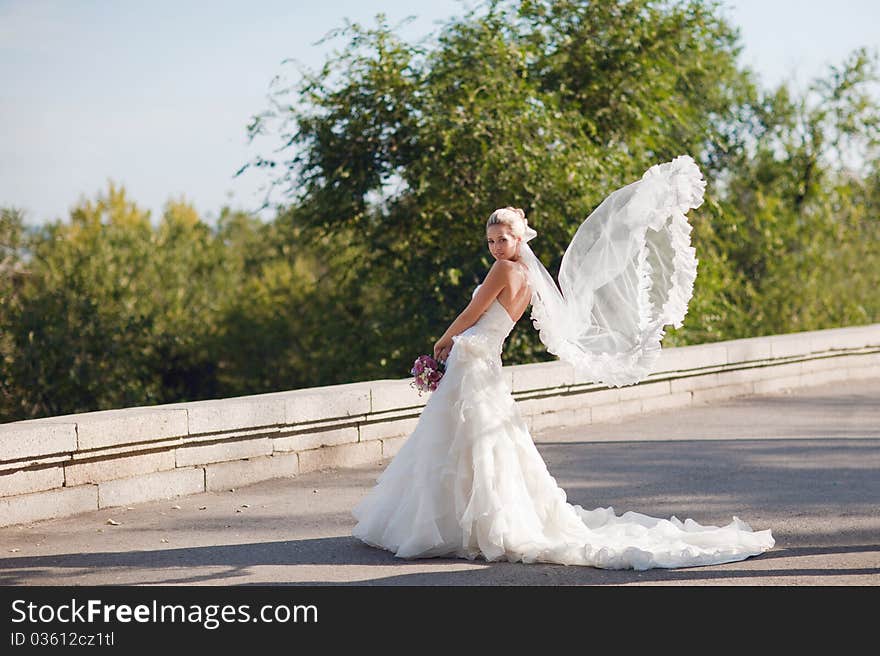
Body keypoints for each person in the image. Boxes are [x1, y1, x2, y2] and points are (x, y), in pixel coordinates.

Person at [351, 156, 774, 570]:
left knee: (463, 439)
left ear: (519, 239)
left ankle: (455, 524)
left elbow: (472, 311)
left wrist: (444, 339)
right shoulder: (530, 277)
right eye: (492, 241)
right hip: (485, 358)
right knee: (478, 441)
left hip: (472, 353)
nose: (497, 246)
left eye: (503, 239)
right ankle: (471, 522)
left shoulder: (502, 270)